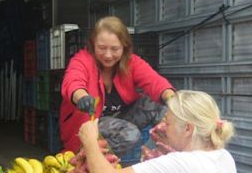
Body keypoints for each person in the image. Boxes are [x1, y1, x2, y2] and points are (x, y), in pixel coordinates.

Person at [78, 90, 238, 173]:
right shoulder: (225, 157)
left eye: (167, 123)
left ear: (188, 129)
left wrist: (90, 140)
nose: (163, 127)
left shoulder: (178, 166)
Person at [60, 16, 175, 156]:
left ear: (124, 47)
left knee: (161, 106)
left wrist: (172, 99)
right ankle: (89, 162)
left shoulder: (131, 62)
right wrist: (81, 97)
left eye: (115, 49)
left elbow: (154, 81)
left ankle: (167, 157)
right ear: (93, 45)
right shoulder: (82, 60)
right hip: (88, 125)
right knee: (130, 134)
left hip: (120, 120)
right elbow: (73, 81)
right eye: (102, 48)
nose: (108, 55)